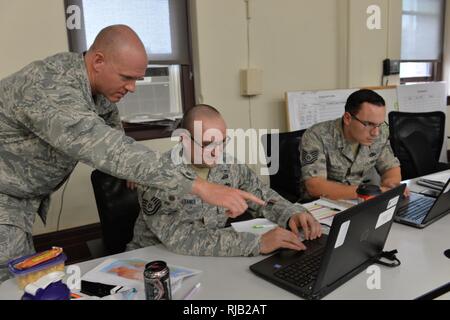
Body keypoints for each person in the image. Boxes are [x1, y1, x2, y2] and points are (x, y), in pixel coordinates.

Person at [0, 25, 263, 282]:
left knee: (20, 278)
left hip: (21, 198)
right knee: (8, 283)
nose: (133, 88)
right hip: (5, 196)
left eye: (137, 79)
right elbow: (107, 146)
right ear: (98, 61)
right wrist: (201, 186)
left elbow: (115, 137)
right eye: (127, 77)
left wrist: (130, 168)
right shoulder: (51, 87)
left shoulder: (98, 92)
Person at [127, 104, 322, 256]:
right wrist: (256, 243)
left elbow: (261, 194)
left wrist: (291, 213)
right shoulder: (158, 174)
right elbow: (182, 238)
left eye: (222, 142)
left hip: (209, 257)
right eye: (207, 144)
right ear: (184, 139)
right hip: (154, 261)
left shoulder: (227, 165)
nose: (216, 151)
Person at [300, 89, 406, 201]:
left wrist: (391, 186)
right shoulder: (316, 135)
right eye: (368, 124)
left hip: (358, 202)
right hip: (320, 205)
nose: (375, 132)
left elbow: (390, 167)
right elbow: (315, 186)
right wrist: (375, 191)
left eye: (379, 124)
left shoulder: (379, 133)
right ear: (347, 118)